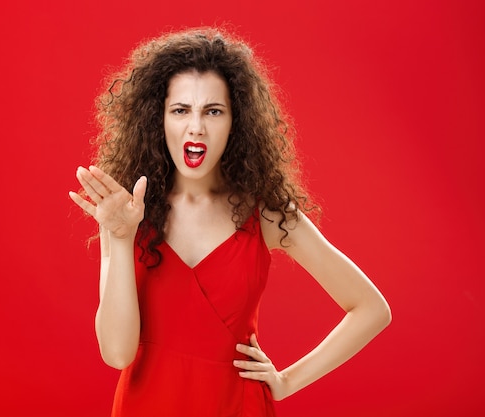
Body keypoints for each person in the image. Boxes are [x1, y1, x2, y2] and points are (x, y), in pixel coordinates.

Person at [69, 27, 391, 417]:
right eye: (181, 110)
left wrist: (287, 381)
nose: (196, 127)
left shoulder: (267, 213)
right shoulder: (125, 212)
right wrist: (121, 238)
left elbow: (371, 308)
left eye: (213, 111)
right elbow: (117, 353)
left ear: (236, 122)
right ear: (159, 120)